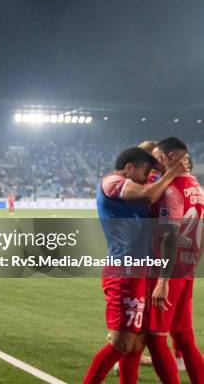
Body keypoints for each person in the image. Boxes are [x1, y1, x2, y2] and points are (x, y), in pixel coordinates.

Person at [83, 146, 187, 384]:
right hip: (122, 271)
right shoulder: (112, 181)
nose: (145, 177)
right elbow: (149, 194)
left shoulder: (133, 183)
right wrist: (171, 173)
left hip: (137, 272)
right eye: (144, 171)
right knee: (122, 344)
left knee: (136, 343)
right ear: (129, 167)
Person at [146, 137, 204, 384]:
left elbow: (170, 235)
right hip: (187, 269)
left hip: (169, 272)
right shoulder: (195, 185)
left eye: (158, 156)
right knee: (183, 336)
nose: (154, 161)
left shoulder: (171, 190)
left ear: (170, 157)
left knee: (156, 337)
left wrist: (163, 280)